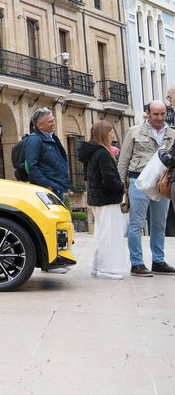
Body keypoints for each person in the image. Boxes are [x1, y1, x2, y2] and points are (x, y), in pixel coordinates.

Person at [117, 100, 175, 276]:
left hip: (162, 183)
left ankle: (158, 261)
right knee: (137, 223)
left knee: (159, 224)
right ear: (147, 114)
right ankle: (137, 263)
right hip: (138, 181)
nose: (159, 118)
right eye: (156, 114)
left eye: (163, 114)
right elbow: (124, 159)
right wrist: (121, 185)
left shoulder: (172, 134)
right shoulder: (134, 132)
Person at [78, 120, 129, 279]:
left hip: (97, 200)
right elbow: (109, 179)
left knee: (102, 234)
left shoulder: (94, 153)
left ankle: (98, 267)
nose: (112, 134)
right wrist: (122, 187)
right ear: (104, 134)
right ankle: (107, 270)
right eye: (110, 132)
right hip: (107, 200)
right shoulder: (104, 153)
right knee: (111, 235)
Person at [22, 107, 71, 199]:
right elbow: (32, 166)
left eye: (53, 120)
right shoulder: (34, 140)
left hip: (57, 189)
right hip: (47, 192)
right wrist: (47, 186)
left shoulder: (52, 138)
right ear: (39, 125)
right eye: (50, 122)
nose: (54, 123)